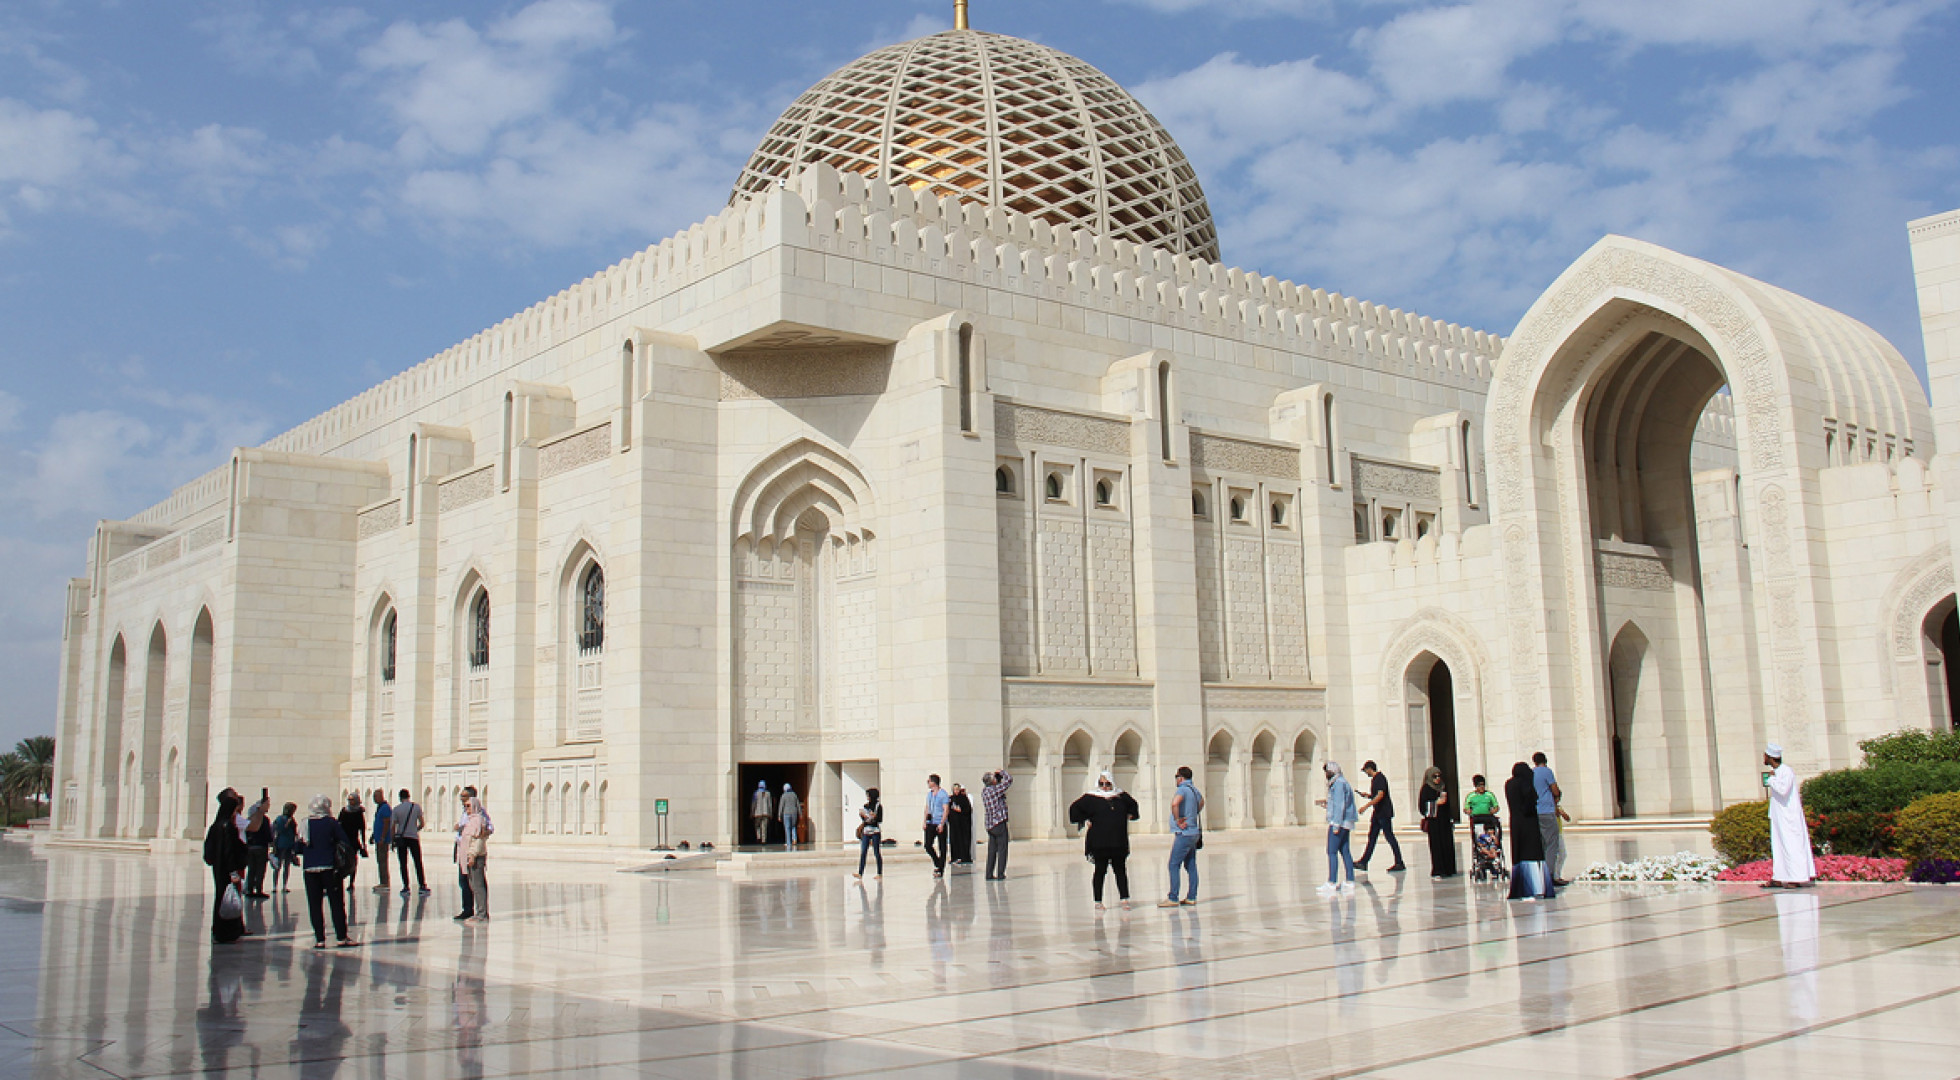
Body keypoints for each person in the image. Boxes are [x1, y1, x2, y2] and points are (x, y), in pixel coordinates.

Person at [1068, 771, 1141, 911]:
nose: (1105, 787)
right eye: (1101, 784)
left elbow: (1133, 807)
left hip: (1118, 841)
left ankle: (1124, 899)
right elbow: (1075, 809)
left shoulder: (1120, 796)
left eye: (1107, 784)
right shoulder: (1091, 797)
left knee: (1120, 870)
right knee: (1100, 871)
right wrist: (1085, 819)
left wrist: (1129, 815)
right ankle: (1098, 901)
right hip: (1100, 842)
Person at [301, 794, 359, 947]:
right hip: (329, 868)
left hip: (310, 869)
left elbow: (299, 846)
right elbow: (344, 841)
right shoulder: (331, 823)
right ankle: (341, 937)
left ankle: (320, 939)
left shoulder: (304, 823)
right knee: (336, 903)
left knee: (314, 904)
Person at [1764, 743, 1817, 889]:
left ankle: (1796, 877)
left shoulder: (1786, 771)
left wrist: (1771, 780)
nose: (1764, 758)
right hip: (1779, 816)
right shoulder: (1776, 772)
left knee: (1792, 845)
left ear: (1770, 757)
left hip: (1789, 817)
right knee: (1779, 846)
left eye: (1765, 756)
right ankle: (1779, 877)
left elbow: (1783, 790)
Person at [203, 791, 249, 944]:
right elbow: (229, 850)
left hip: (218, 868)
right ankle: (228, 931)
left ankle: (218, 929)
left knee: (220, 898)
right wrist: (233, 871)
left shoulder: (215, 826)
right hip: (227, 869)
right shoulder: (227, 826)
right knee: (228, 898)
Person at [1505, 762, 1556, 900]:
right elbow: (1529, 803)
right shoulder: (1525, 784)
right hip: (1528, 823)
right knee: (1532, 854)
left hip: (1516, 823)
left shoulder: (1509, 784)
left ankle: (1520, 888)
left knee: (1519, 854)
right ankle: (1536, 888)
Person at [1158, 765, 1204, 908]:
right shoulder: (1194, 790)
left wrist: (1178, 819)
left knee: (1173, 864)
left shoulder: (1182, 789)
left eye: (1177, 777)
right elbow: (1202, 802)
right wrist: (1193, 814)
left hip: (1184, 833)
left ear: (1181, 778)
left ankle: (1173, 897)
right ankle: (1191, 897)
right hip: (1194, 832)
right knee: (1191, 865)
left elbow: (1175, 803)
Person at [1353, 761, 1406, 873]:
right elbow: (1377, 795)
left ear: (1369, 768)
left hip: (1383, 813)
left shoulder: (1380, 778)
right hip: (1378, 813)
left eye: (1365, 770)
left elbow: (1380, 795)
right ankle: (1363, 862)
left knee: (1389, 836)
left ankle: (1399, 862)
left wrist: (1366, 806)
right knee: (1372, 836)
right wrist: (1368, 796)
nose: (1366, 773)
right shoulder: (1375, 779)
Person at [1316, 761, 1359, 894]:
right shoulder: (1341, 782)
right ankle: (1350, 880)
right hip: (1345, 822)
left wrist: (1336, 824)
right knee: (1345, 850)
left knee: (1331, 851)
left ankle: (1332, 882)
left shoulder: (1339, 784)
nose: (1326, 774)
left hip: (1339, 822)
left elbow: (1340, 805)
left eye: (1328, 771)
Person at [1532, 751, 1571, 887]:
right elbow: (1554, 789)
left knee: (1543, 844)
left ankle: (1541, 874)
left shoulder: (1532, 773)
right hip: (1547, 811)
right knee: (1552, 844)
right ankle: (1550, 875)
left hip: (1536, 812)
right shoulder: (1547, 771)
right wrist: (1557, 794)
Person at [454, 786, 491, 923]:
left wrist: (473, 855)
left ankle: (482, 913)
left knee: (478, 885)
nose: (465, 806)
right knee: (469, 884)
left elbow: (479, 839)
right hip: (465, 854)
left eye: (467, 804)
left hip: (473, 856)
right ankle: (471, 910)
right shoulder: (470, 818)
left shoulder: (479, 819)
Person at [1419, 767, 1457, 878]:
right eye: (1434, 776)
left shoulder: (1443, 787)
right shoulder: (1426, 789)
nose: (1437, 778)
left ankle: (1449, 869)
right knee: (1437, 846)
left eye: (1439, 776)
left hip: (1444, 821)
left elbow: (1448, 805)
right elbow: (1422, 808)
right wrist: (1436, 803)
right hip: (1434, 823)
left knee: (1447, 844)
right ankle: (1439, 869)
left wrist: (1451, 818)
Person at [393, 788, 429, 894]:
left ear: (400, 797)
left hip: (401, 838)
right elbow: (422, 823)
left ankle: (406, 886)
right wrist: (415, 829)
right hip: (413, 837)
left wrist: (393, 839)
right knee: (417, 861)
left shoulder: (396, 809)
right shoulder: (416, 807)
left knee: (403, 863)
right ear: (409, 796)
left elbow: (393, 826)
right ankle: (422, 885)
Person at [981, 769, 1014, 880]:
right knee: (1002, 848)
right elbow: (1009, 780)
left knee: (992, 850)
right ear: (993, 781)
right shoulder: (995, 790)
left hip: (990, 824)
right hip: (999, 822)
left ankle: (989, 873)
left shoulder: (984, 791)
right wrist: (1002, 772)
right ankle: (1000, 873)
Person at [337, 792, 369, 894]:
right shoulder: (344, 811)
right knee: (342, 860)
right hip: (343, 840)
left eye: (352, 800)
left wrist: (364, 844)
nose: (351, 802)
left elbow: (362, 829)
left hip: (353, 841)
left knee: (353, 861)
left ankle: (351, 882)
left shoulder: (359, 812)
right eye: (349, 800)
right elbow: (338, 825)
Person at [242, 800, 273, 900]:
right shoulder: (264, 820)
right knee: (260, 869)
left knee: (252, 869)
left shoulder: (249, 819)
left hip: (251, 847)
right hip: (261, 847)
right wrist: (271, 841)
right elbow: (268, 834)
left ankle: (250, 889)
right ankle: (258, 889)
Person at [923, 774, 951, 877]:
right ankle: (937, 862)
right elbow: (927, 808)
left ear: (934, 782)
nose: (928, 783)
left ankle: (940, 869)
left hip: (939, 822)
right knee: (927, 845)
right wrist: (924, 821)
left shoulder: (943, 794)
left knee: (942, 847)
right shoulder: (929, 794)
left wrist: (942, 823)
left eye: (929, 781)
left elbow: (946, 809)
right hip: (931, 822)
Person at [854, 787, 884, 880]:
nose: (867, 797)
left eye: (869, 795)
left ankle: (879, 873)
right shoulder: (866, 806)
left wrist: (874, 817)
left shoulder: (878, 806)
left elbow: (880, 820)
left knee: (876, 852)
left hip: (875, 830)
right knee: (863, 852)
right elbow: (865, 820)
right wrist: (862, 816)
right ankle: (860, 873)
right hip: (866, 830)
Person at [271, 801, 300, 894]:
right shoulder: (280, 819)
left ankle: (284, 885)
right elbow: (279, 830)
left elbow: (294, 833)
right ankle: (274, 886)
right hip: (281, 844)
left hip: (289, 845)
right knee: (278, 866)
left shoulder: (292, 820)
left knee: (287, 866)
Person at [369, 789, 393, 892]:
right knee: (380, 860)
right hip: (379, 839)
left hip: (383, 840)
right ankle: (383, 881)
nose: (374, 799)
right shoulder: (380, 807)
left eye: (376, 796)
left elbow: (387, 823)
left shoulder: (385, 808)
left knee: (383, 861)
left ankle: (385, 882)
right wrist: (373, 836)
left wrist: (382, 837)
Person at [947, 783, 974, 866]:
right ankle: (955, 857)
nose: (956, 791)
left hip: (963, 824)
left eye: (957, 789)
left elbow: (968, 810)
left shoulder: (964, 798)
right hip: (954, 824)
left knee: (963, 840)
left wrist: (960, 810)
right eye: (954, 789)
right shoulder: (951, 799)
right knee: (954, 840)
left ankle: (965, 857)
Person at [750, 781, 775, 846]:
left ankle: (758, 836)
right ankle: (763, 840)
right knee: (764, 827)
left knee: (757, 826)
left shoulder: (756, 793)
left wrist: (752, 812)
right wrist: (770, 813)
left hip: (757, 813)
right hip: (766, 813)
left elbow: (754, 803)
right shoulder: (768, 794)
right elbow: (770, 804)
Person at [778, 783, 801, 850]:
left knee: (787, 828)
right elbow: (798, 804)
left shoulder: (784, 796)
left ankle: (788, 842)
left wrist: (779, 815)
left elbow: (781, 806)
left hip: (786, 813)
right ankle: (794, 839)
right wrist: (800, 813)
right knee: (793, 826)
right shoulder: (794, 795)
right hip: (794, 813)